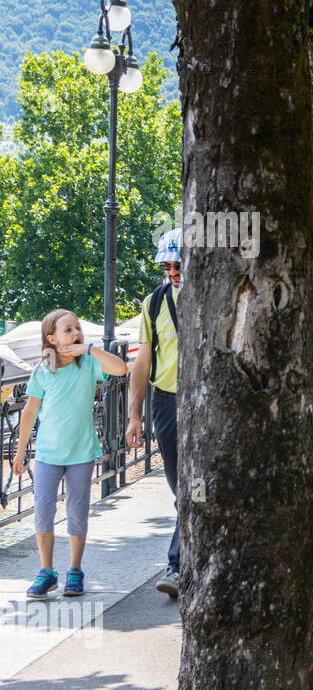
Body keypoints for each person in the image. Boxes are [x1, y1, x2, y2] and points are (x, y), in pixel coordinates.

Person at [17, 311, 129, 598]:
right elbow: (30, 412)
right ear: (52, 339)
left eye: (77, 328)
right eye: (69, 330)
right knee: (43, 511)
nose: (76, 332)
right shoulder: (44, 369)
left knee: (77, 513)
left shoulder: (89, 363)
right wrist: (19, 453)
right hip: (47, 455)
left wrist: (89, 349)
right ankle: (46, 572)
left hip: (81, 452)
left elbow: (121, 369)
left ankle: (75, 571)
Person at [126, 231, 184, 597]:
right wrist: (134, 415)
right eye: (168, 266)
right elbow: (142, 361)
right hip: (167, 401)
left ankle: (177, 566)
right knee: (182, 489)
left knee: (195, 488)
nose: (174, 272)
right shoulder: (155, 302)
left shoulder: (215, 295)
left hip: (208, 402)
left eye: (179, 265)